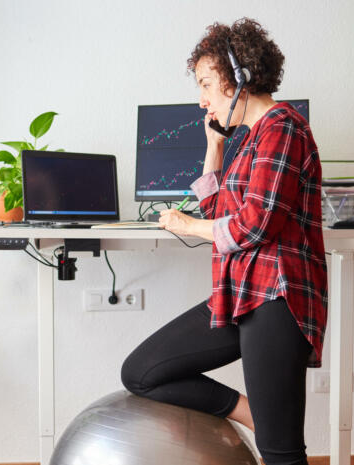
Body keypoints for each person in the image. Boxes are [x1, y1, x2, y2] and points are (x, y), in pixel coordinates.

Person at [120, 18, 328, 465]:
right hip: (240, 295)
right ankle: (253, 413)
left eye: (208, 83)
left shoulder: (283, 127)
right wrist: (214, 147)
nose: (202, 98)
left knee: (280, 454)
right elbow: (219, 214)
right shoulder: (250, 139)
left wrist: (183, 224)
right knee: (142, 372)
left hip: (277, 296)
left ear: (242, 78)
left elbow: (253, 226)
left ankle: (271, 424)